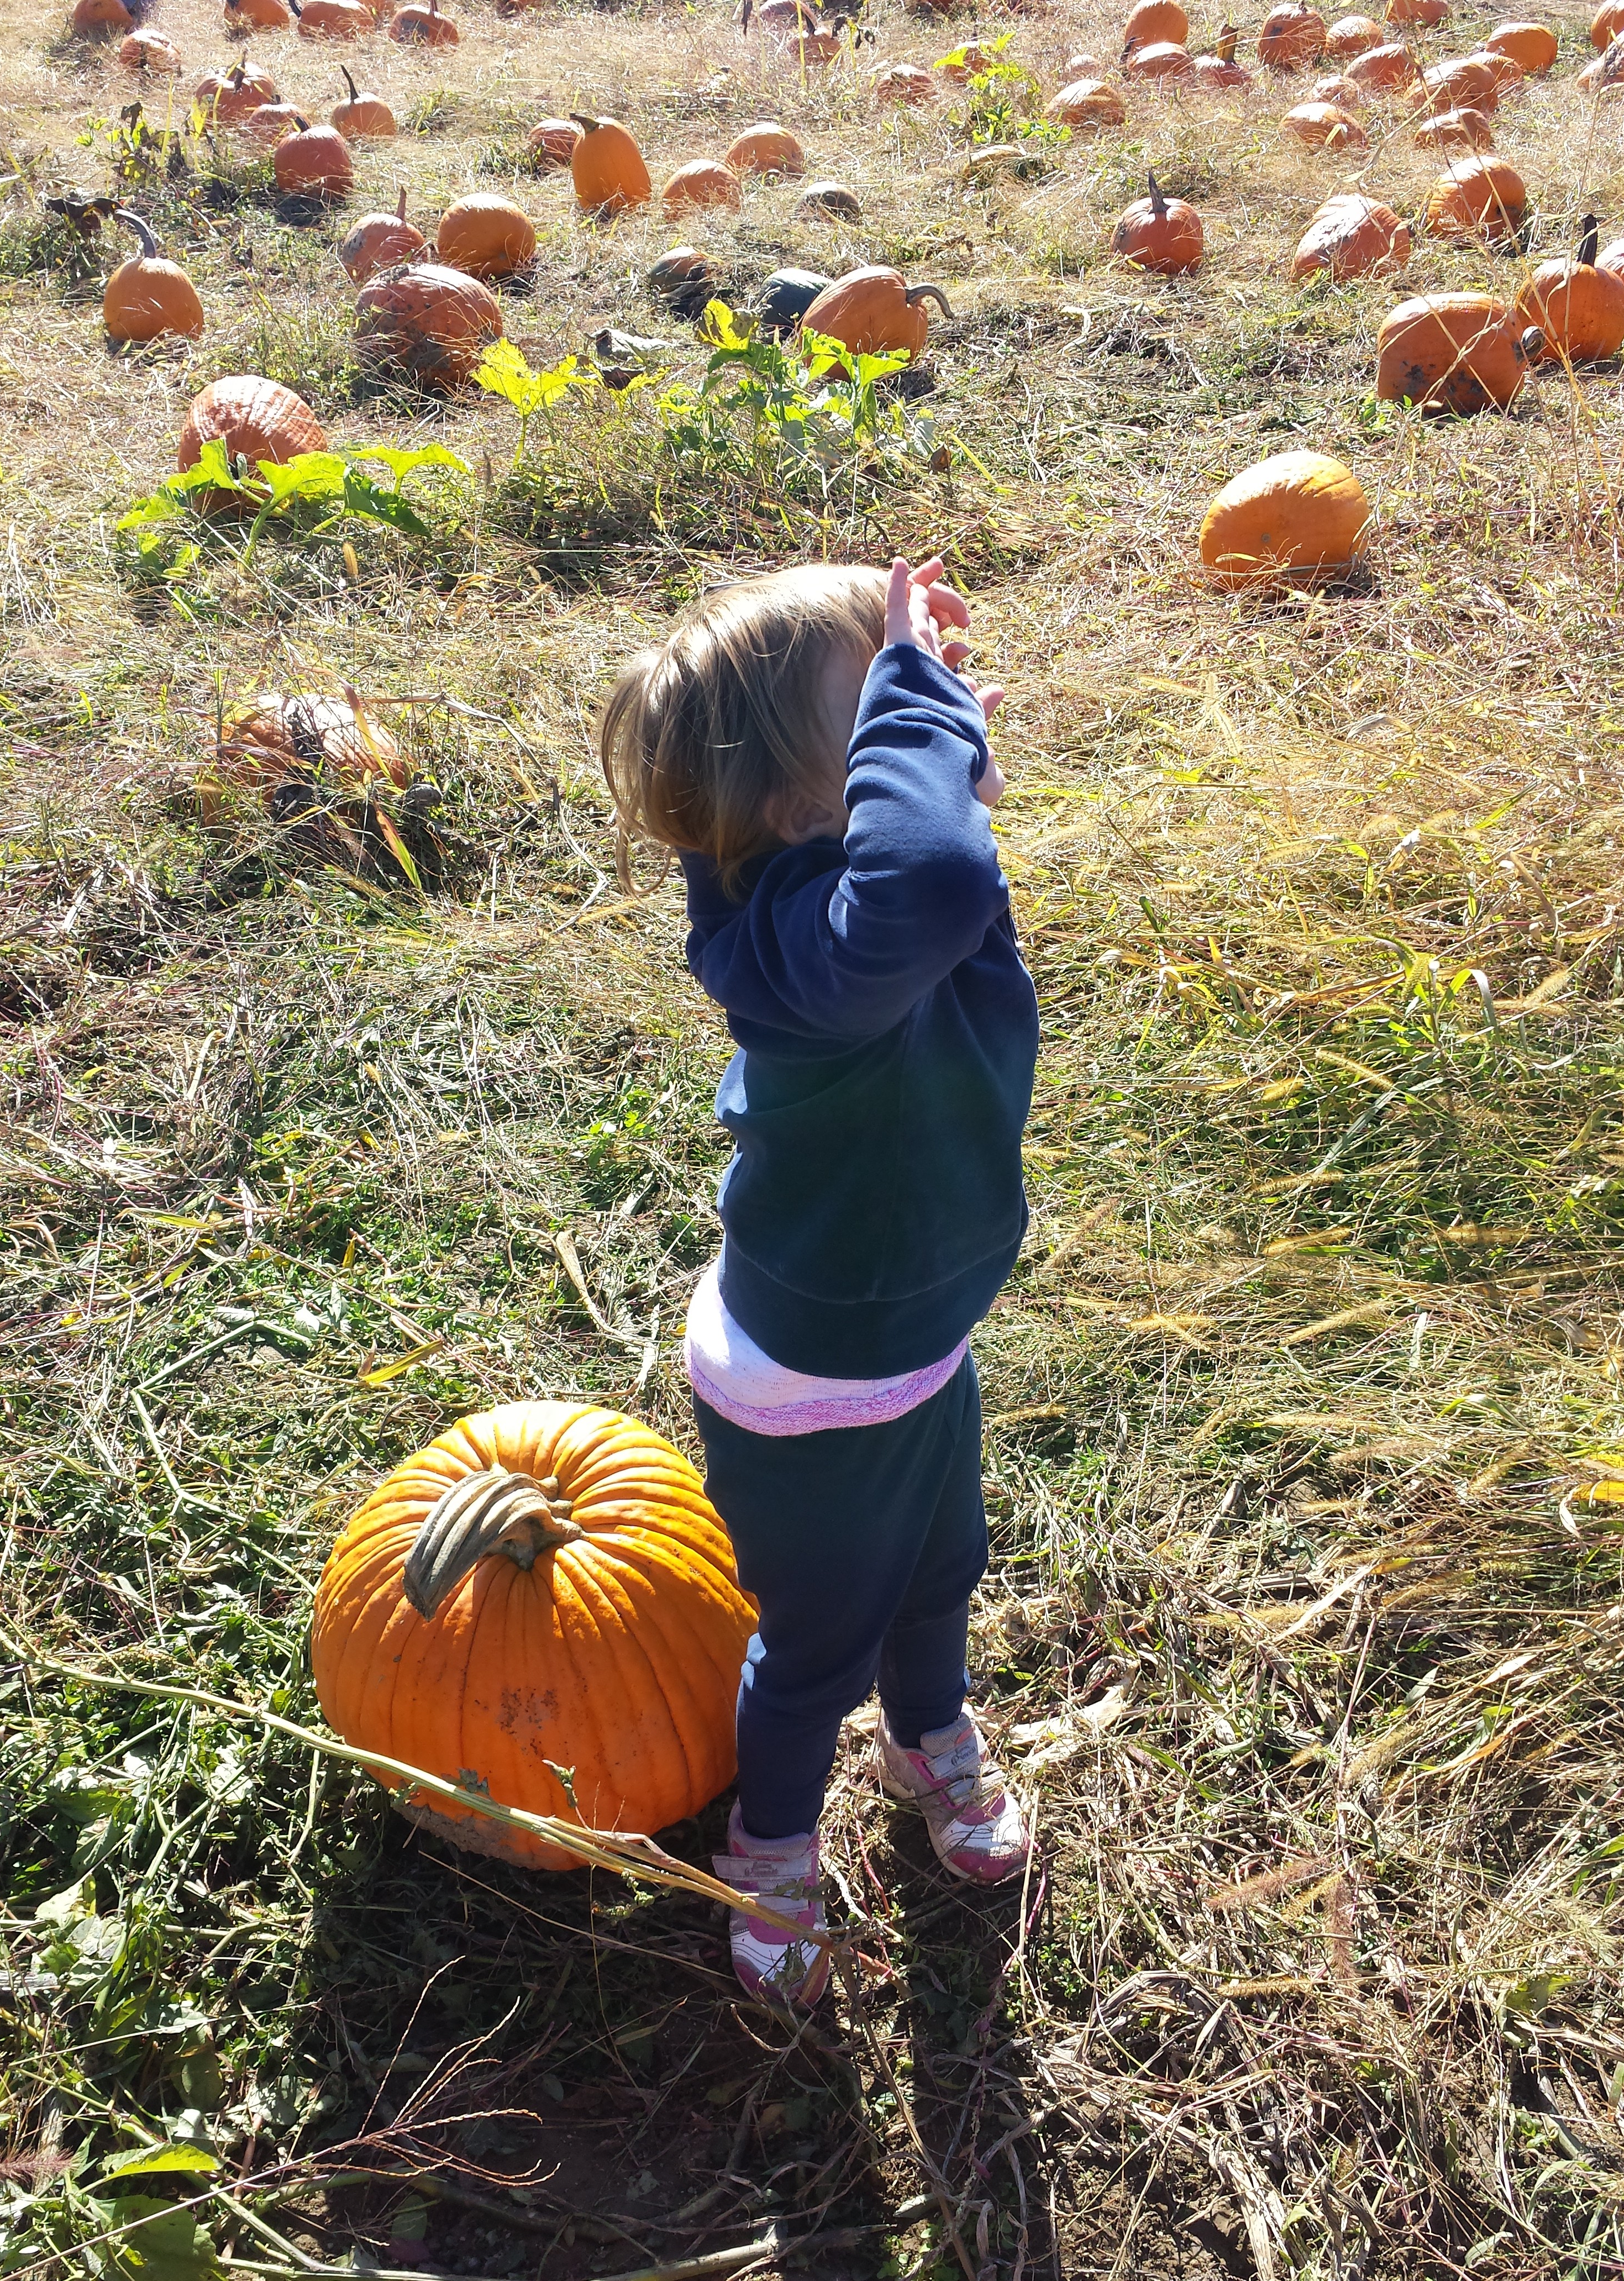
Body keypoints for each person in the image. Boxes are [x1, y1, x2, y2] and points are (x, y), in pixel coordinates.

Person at [598, 557, 1039, 2004]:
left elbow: (931, 850)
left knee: (936, 1571)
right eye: (890, 698)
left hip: (914, 1342)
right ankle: (771, 1843)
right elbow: (936, 873)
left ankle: (933, 1734)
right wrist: (921, 709)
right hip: (812, 1386)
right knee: (813, 1651)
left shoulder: (845, 886)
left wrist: (916, 709)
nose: (931, 704)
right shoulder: (805, 953)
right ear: (802, 807)